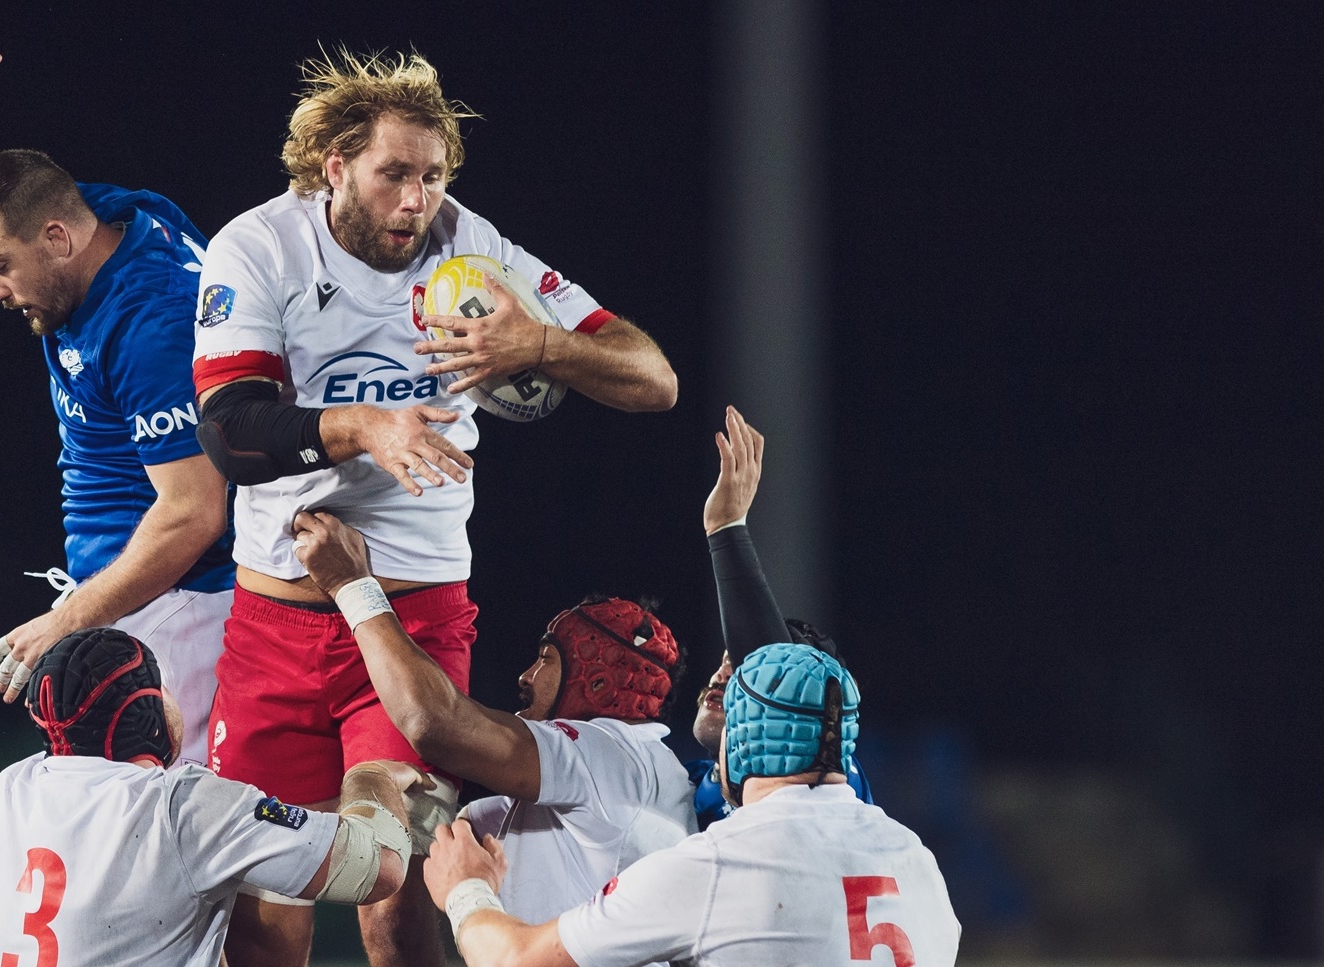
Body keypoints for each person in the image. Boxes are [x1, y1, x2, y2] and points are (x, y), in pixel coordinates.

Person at [189, 48, 680, 965]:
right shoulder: (257, 247)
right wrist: (364, 427)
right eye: (395, 175)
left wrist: (538, 343)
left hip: (412, 613)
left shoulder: (473, 248)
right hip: (272, 622)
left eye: (434, 176)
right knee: (261, 918)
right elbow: (230, 433)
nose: (417, 201)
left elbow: (652, 378)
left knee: (391, 885)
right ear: (335, 166)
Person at [0, 12, 233, 765]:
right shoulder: (103, 216)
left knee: (162, 822)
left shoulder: (149, 325)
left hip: (183, 608)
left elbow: (194, 511)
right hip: (138, 598)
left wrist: (67, 620)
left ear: (56, 239)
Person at [424, 642, 961, 967]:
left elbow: (514, 959)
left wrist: (466, 889)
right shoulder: (917, 861)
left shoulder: (720, 865)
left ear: (740, 741)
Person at [289, 509, 695, 930]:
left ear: (596, 683)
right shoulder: (637, 771)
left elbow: (434, 722)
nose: (526, 677)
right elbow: (463, 826)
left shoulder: (609, 751)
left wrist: (352, 585)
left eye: (545, 659)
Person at [0, 627, 426, 967]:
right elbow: (377, 865)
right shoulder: (178, 803)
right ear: (144, 712)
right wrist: (369, 775)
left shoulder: (11, 789)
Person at [685, 407, 873, 828]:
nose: (726, 672)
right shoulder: (678, 783)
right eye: (728, 659)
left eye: (744, 663)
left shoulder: (834, 779)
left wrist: (727, 531)